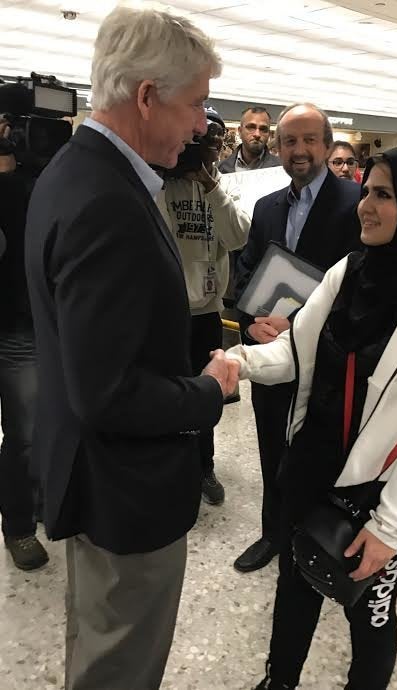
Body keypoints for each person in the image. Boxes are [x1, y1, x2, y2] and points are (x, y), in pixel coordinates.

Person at [225, 146, 397, 690]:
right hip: (313, 465)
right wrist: (237, 362)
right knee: (294, 585)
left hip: (380, 494)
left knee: (370, 617)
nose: (365, 207)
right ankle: (278, 681)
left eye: (384, 195)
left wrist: (389, 527)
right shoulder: (349, 270)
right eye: (367, 192)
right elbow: (294, 353)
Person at [25, 8, 237, 689]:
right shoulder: (106, 204)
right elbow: (109, 393)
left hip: (93, 477)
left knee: (96, 643)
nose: (202, 124)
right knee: (121, 663)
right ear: (146, 95)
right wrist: (209, 390)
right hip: (125, 491)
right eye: (196, 102)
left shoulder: (72, 174)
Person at [233, 102, 361, 574]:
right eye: (289, 141)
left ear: (327, 146)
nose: (299, 149)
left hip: (327, 359)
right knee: (271, 444)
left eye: (310, 140)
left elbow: (363, 287)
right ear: (278, 147)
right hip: (271, 354)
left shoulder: (357, 205)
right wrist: (250, 323)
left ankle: (315, 541)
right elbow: (246, 272)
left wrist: (308, 327)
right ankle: (273, 533)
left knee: (320, 452)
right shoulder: (267, 207)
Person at [157, 105, 251, 506]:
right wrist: (168, 172)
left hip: (207, 311)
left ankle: (204, 466)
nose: (203, 152)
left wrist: (209, 185)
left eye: (209, 145)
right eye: (195, 142)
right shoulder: (159, 181)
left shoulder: (222, 186)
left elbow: (239, 237)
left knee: (207, 389)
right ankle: (170, 468)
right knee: (167, 393)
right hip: (165, 311)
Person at [0, 131, 49, 571]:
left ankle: (22, 521)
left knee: (26, 432)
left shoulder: (31, 181)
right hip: (13, 319)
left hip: (22, 319)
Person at [219, 106, 281, 173]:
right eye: (251, 127)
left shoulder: (281, 168)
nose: (257, 134)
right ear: (240, 131)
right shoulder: (222, 169)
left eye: (263, 129)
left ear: (268, 134)